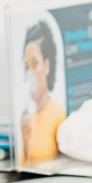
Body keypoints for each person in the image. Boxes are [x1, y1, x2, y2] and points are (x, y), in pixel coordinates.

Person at [19, 19, 66, 164]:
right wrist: (25, 144)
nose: (30, 73)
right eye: (27, 66)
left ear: (46, 66)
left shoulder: (60, 116)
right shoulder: (27, 121)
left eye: (35, 63)